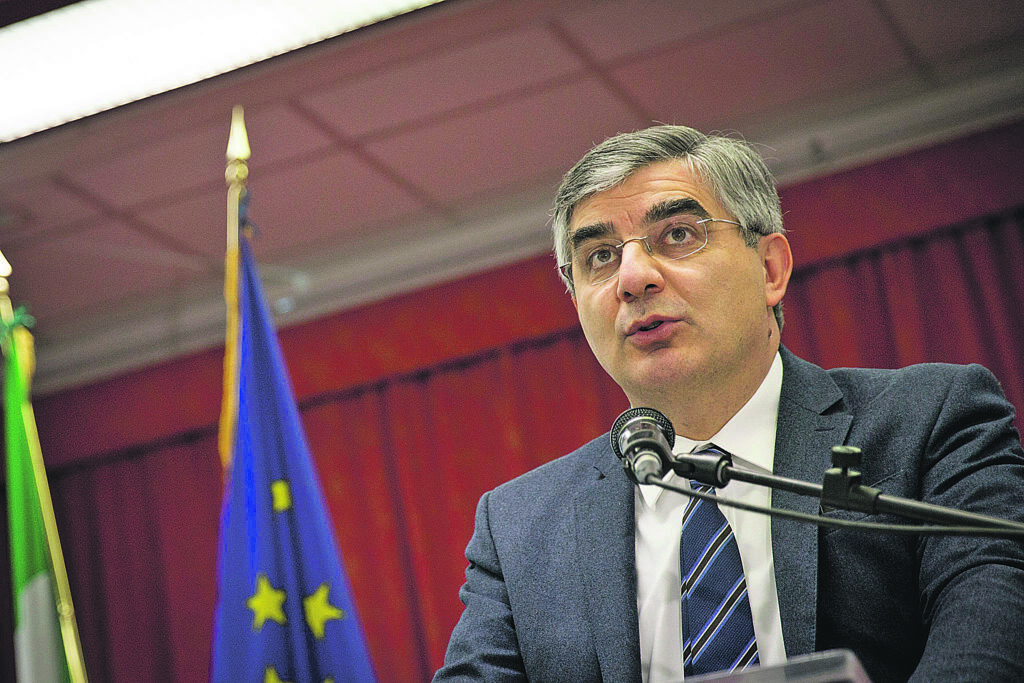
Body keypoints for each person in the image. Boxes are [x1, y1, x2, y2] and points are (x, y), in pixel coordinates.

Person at [433, 125, 1024, 682]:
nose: (632, 277)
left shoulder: (930, 419)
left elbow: (992, 625)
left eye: (679, 235)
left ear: (770, 268)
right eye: (600, 257)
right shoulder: (520, 528)